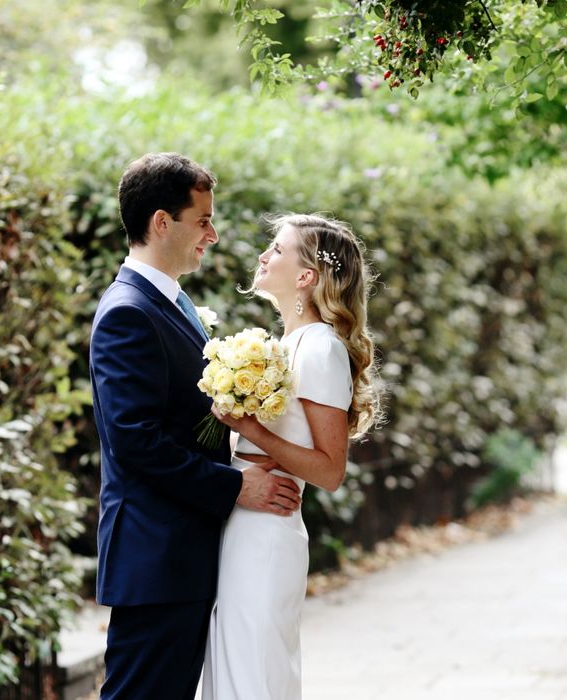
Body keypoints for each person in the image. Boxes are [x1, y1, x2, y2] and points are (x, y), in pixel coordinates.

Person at [89, 152, 302, 700]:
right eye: (202, 219)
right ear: (163, 222)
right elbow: (135, 442)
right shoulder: (127, 313)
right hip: (156, 556)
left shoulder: (173, 302)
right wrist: (238, 486)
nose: (211, 233)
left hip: (181, 553)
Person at [202, 213, 377, 700]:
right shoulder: (288, 344)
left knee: (256, 670)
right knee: (235, 666)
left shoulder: (320, 347)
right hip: (242, 521)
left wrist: (249, 428)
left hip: (267, 532)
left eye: (276, 249)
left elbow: (330, 469)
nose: (263, 256)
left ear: (306, 277)